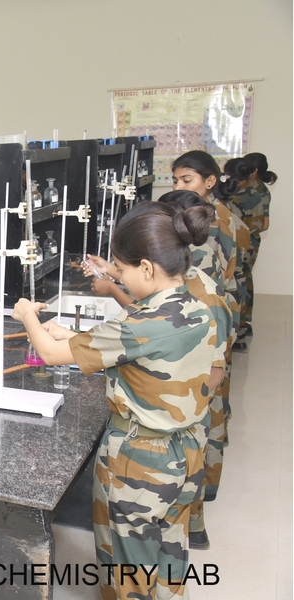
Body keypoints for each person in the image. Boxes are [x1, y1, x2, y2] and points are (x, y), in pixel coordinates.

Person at [12, 205, 218, 600]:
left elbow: (51, 355)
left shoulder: (139, 325)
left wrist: (27, 317)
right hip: (187, 451)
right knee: (170, 552)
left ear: (147, 269)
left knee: (128, 570)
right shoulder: (195, 308)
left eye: (121, 271)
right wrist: (71, 335)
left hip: (140, 461)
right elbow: (139, 345)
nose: (118, 277)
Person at [85, 196, 234, 551]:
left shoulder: (203, 295)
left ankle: (195, 529)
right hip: (172, 433)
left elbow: (213, 372)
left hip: (174, 429)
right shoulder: (178, 284)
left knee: (145, 542)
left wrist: (164, 406)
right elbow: (149, 319)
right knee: (166, 536)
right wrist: (116, 274)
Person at [172, 150, 249, 349]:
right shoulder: (199, 211)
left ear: (210, 181)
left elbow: (222, 273)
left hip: (214, 305)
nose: (178, 187)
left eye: (186, 180)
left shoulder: (216, 217)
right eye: (175, 181)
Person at [225, 153, 276, 337]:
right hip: (246, 241)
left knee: (239, 280)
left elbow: (264, 224)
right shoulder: (251, 191)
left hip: (243, 243)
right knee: (243, 279)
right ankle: (243, 322)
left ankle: (241, 324)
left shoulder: (252, 193)